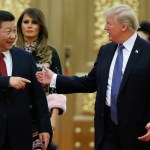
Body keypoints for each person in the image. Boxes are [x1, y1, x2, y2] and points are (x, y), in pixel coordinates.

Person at [36, 4, 150, 150]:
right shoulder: (106, 50)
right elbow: (90, 82)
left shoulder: (147, 52)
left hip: (138, 133)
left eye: (109, 23)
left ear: (124, 27)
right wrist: (53, 79)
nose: (104, 27)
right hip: (106, 130)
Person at [0, 10, 52, 150]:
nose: (13, 36)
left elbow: (38, 96)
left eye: (14, 31)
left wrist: (44, 128)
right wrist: (7, 81)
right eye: (8, 31)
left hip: (19, 134)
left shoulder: (25, 58)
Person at [16, 8, 66, 150]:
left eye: (34, 22)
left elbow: (58, 88)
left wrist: (53, 119)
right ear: (20, 25)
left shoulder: (51, 53)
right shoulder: (12, 52)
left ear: (41, 27)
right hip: (16, 114)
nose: (29, 25)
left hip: (41, 117)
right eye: (26, 22)